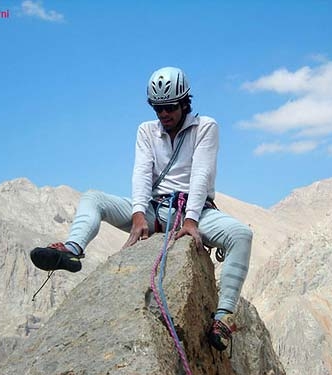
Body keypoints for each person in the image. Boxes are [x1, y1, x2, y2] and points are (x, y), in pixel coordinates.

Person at [30, 66, 253, 352]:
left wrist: (191, 220)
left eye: (170, 107)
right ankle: (72, 250)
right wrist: (138, 215)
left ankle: (222, 318)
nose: (163, 115)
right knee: (93, 198)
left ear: (185, 102)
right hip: (153, 209)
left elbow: (201, 174)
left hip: (195, 211)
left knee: (241, 235)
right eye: (157, 108)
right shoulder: (146, 131)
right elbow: (141, 173)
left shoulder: (205, 127)